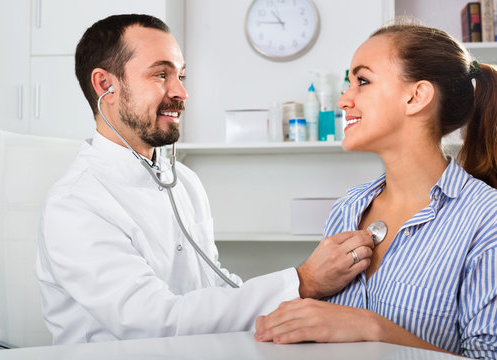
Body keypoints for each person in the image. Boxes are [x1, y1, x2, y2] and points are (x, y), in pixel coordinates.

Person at [35, 14, 375, 345]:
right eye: (160, 75)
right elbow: (154, 323)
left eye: (181, 75)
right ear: (105, 85)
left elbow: (216, 290)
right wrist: (303, 281)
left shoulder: (183, 181)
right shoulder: (76, 204)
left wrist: (293, 314)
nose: (181, 91)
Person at [254, 22, 497, 359]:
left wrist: (373, 329)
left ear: (416, 96)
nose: (343, 100)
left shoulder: (486, 220)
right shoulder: (347, 209)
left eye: (362, 81)